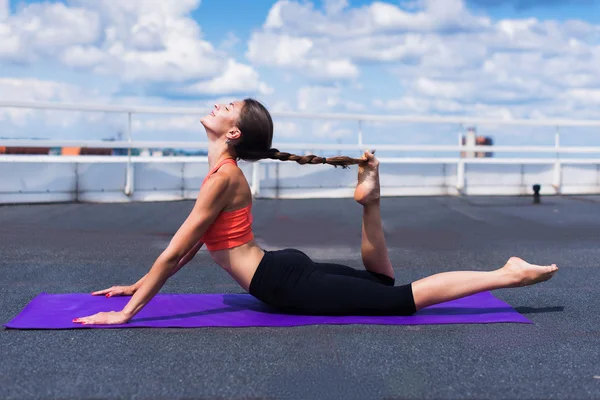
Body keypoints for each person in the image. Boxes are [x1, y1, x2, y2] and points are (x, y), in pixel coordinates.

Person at [73, 99, 558, 325]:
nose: (219, 104)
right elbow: (193, 247)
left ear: (234, 134)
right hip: (279, 268)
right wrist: (138, 286)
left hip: (281, 282)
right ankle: (371, 203)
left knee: (400, 300)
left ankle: (507, 275)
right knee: (383, 285)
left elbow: (177, 248)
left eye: (229, 107)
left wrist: (126, 314)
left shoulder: (222, 178)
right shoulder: (222, 176)